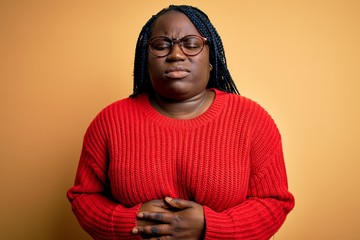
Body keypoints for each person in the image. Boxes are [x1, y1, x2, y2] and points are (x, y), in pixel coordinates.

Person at [67, 5, 295, 240]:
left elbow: (274, 202)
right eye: (161, 45)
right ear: (146, 60)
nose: (176, 54)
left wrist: (210, 226)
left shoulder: (251, 120)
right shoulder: (110, 121)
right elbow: (84, 198)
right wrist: (133, 222)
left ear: (211, 58)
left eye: (191, 44)